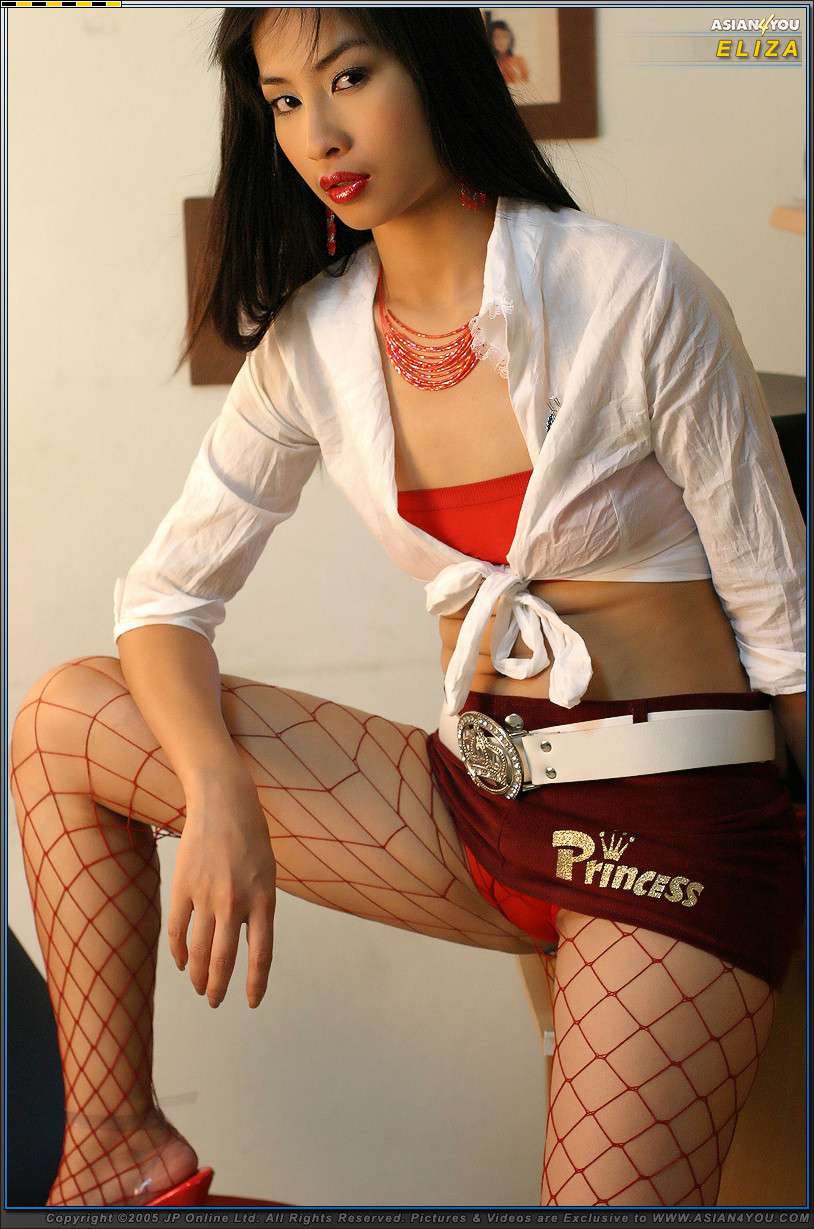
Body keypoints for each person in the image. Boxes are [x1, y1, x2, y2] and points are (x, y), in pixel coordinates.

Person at [9, 6, 805, 1210]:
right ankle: (116, 1141)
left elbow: (782, 620)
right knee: (66, 719)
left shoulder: (632, 288)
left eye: (349, 76)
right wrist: (214, 788)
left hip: (668, 823)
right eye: (284, 100)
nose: (319, 133)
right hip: (471, 801)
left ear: (433, 66)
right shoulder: (313, 343)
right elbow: (164, 598)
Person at [488, 19, 530, 86]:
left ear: (510, 39)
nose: (501, 41)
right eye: (497, 37)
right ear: (491, 39)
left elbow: (527, 84)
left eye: (505, 36)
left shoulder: (519, 61)